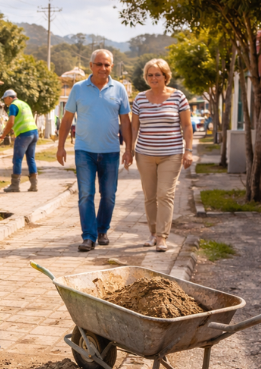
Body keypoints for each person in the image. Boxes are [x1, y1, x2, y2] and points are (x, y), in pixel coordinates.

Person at [56, 49, 132, 252]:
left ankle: (102, 230)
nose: (103, 68)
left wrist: (129, 149)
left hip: (110, 151)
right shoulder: (78, 89)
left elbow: (125, 122)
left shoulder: (120, 90)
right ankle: (88, 236)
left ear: (111, 67)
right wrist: (60, 146)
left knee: (108, 195)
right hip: (84, 151)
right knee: (86, 194)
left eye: (106, 65)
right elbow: (67, 119)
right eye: (99, 64)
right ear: (91, 66)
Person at [131, 58, 193, 252]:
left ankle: (162, 237)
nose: (153, 78)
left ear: (165, 76)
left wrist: (188, 151)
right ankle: (152, 233)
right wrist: (129, 150)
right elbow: (134, 127)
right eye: (150, 75)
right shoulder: (140, 98)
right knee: (149, 196)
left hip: (171, 154)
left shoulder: (178, 97)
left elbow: (187, 125)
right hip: (145, 154)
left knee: (165, 194)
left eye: (157, 74)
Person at [0, 90, 39, 193]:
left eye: (5, 98)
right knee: (31, 158)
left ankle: (15, 186)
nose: (5, 100)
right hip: (34, 132)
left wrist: (3, 135)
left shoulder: (13, 105)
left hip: (24, 134)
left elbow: (11, 122)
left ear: (10, 98)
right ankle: (34, 185)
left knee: (17, 159)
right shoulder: (24, 104)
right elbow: (22, 119)